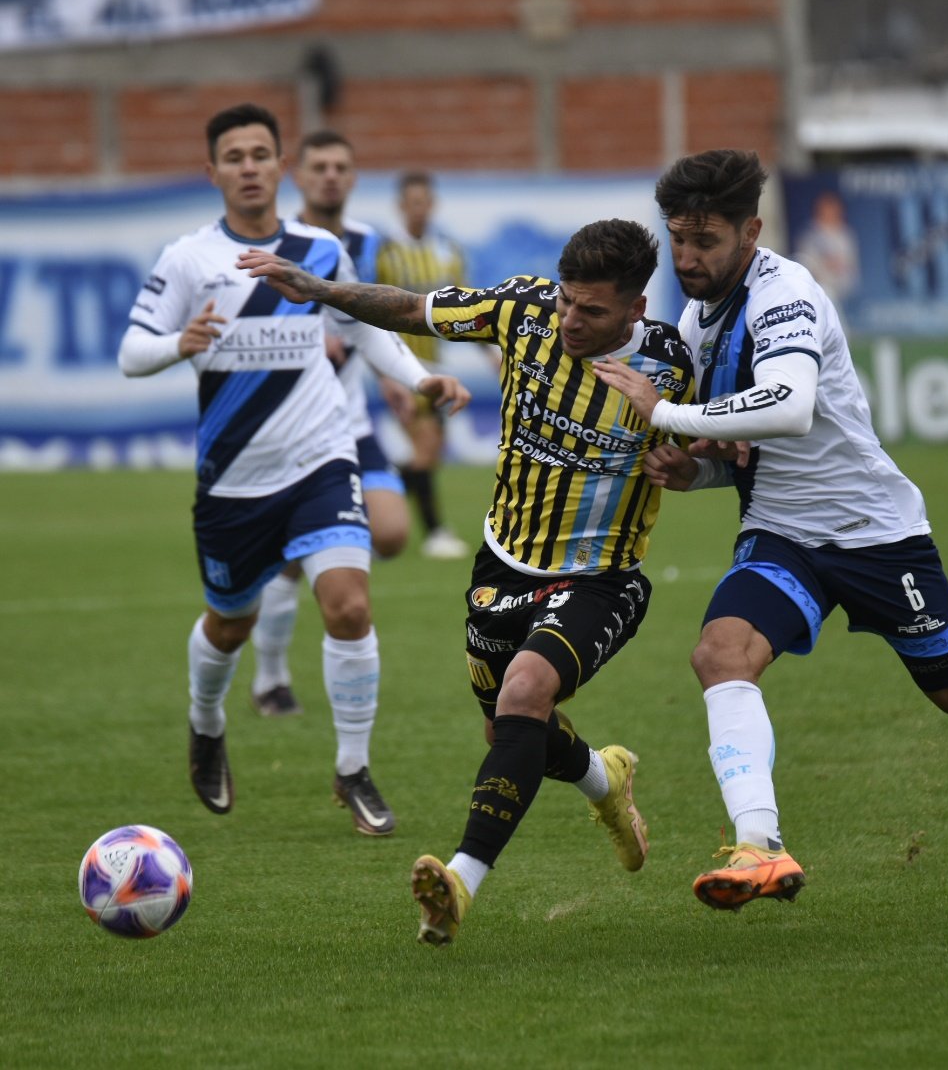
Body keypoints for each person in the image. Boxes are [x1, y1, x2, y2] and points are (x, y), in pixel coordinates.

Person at [592, 149, 948, 913]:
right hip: (784, 536)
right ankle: (760, 845)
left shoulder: (785, 293)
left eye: (706, 241)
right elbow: (747, 445)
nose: (687, 257)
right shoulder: (697, 317)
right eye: (678, 238)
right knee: (720, 655)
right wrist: (700, 471)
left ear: (751, 231)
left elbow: (789, 406)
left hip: (875, 534)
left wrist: (668, 414)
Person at [237, 217, 698, 945]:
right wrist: (317, 288)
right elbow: (408, 308)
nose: (571, 320)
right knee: (511, 728)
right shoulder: (522, 309)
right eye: (567, 302)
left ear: (636, 309)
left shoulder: (675, 364)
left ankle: (459, 881)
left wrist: (689, 466)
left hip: (600, 576)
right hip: (502, 563)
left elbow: (721, 455)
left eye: (593, 311)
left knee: (524, 696)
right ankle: (607, 783)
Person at [118, 104, 469, 837]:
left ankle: (353, 770)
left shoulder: (317, 250)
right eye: (234, 156)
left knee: (348, 605)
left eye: (260, 154)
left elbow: (362, 328)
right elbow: (131, 353)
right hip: (234, 480)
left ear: (281, 166)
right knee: (227, 623)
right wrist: (178, 344)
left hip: (321, 460)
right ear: (213, 171)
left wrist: (420, 380)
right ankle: (207, 722)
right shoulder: (187, 259)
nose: (249, 166)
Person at [249, 129, 419, 719]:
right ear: (300, 175)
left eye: (340, 167)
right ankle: (270, 678)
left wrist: (398, 379)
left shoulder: (371, 243)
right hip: (296, 427)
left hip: (353, 420)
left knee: (394, 532)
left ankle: (319, 550)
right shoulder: (284, 243)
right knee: (295, 552)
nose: (330, 176)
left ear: (352, 176)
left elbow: (389, 313)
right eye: (318, 166)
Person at [376, 170, 473, 559]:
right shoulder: (387, 254)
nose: (419, 209)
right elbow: (371, 314)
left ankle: (373, 498)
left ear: (432, 205)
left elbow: (470, 309)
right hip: (401, 369)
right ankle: (434, 531)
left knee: (428, 452)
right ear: (401, 207)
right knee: (427, 447)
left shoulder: (448, 251)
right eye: (411, 202)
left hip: (435, 370)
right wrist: (385, 374)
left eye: (424, 201)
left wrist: (492, 352)